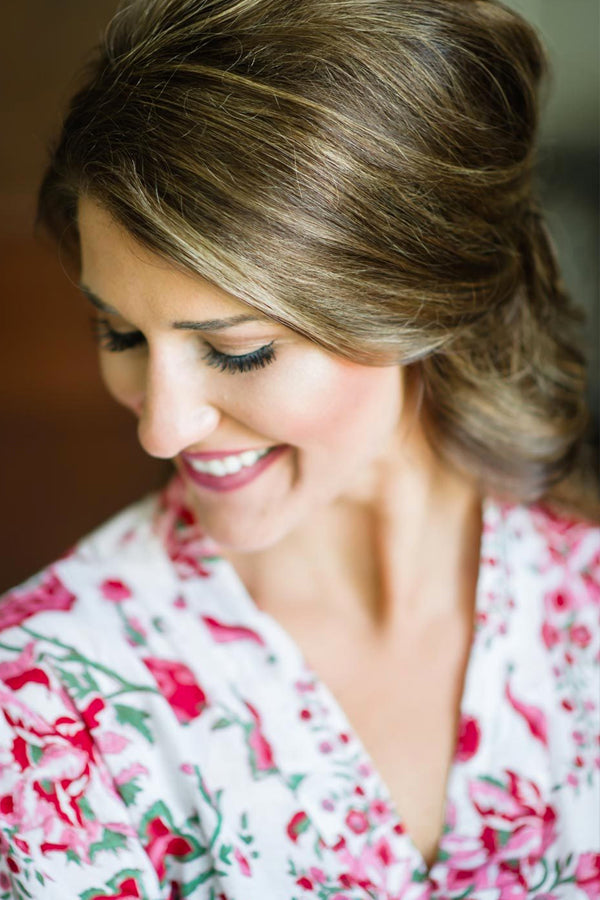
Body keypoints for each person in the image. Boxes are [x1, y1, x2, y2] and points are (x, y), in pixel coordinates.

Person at [1, 0, 599, 896]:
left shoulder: (580, 599)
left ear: (420, 296)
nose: (160, 427)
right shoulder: (44, 706)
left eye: (238, 349)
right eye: (120, 334)